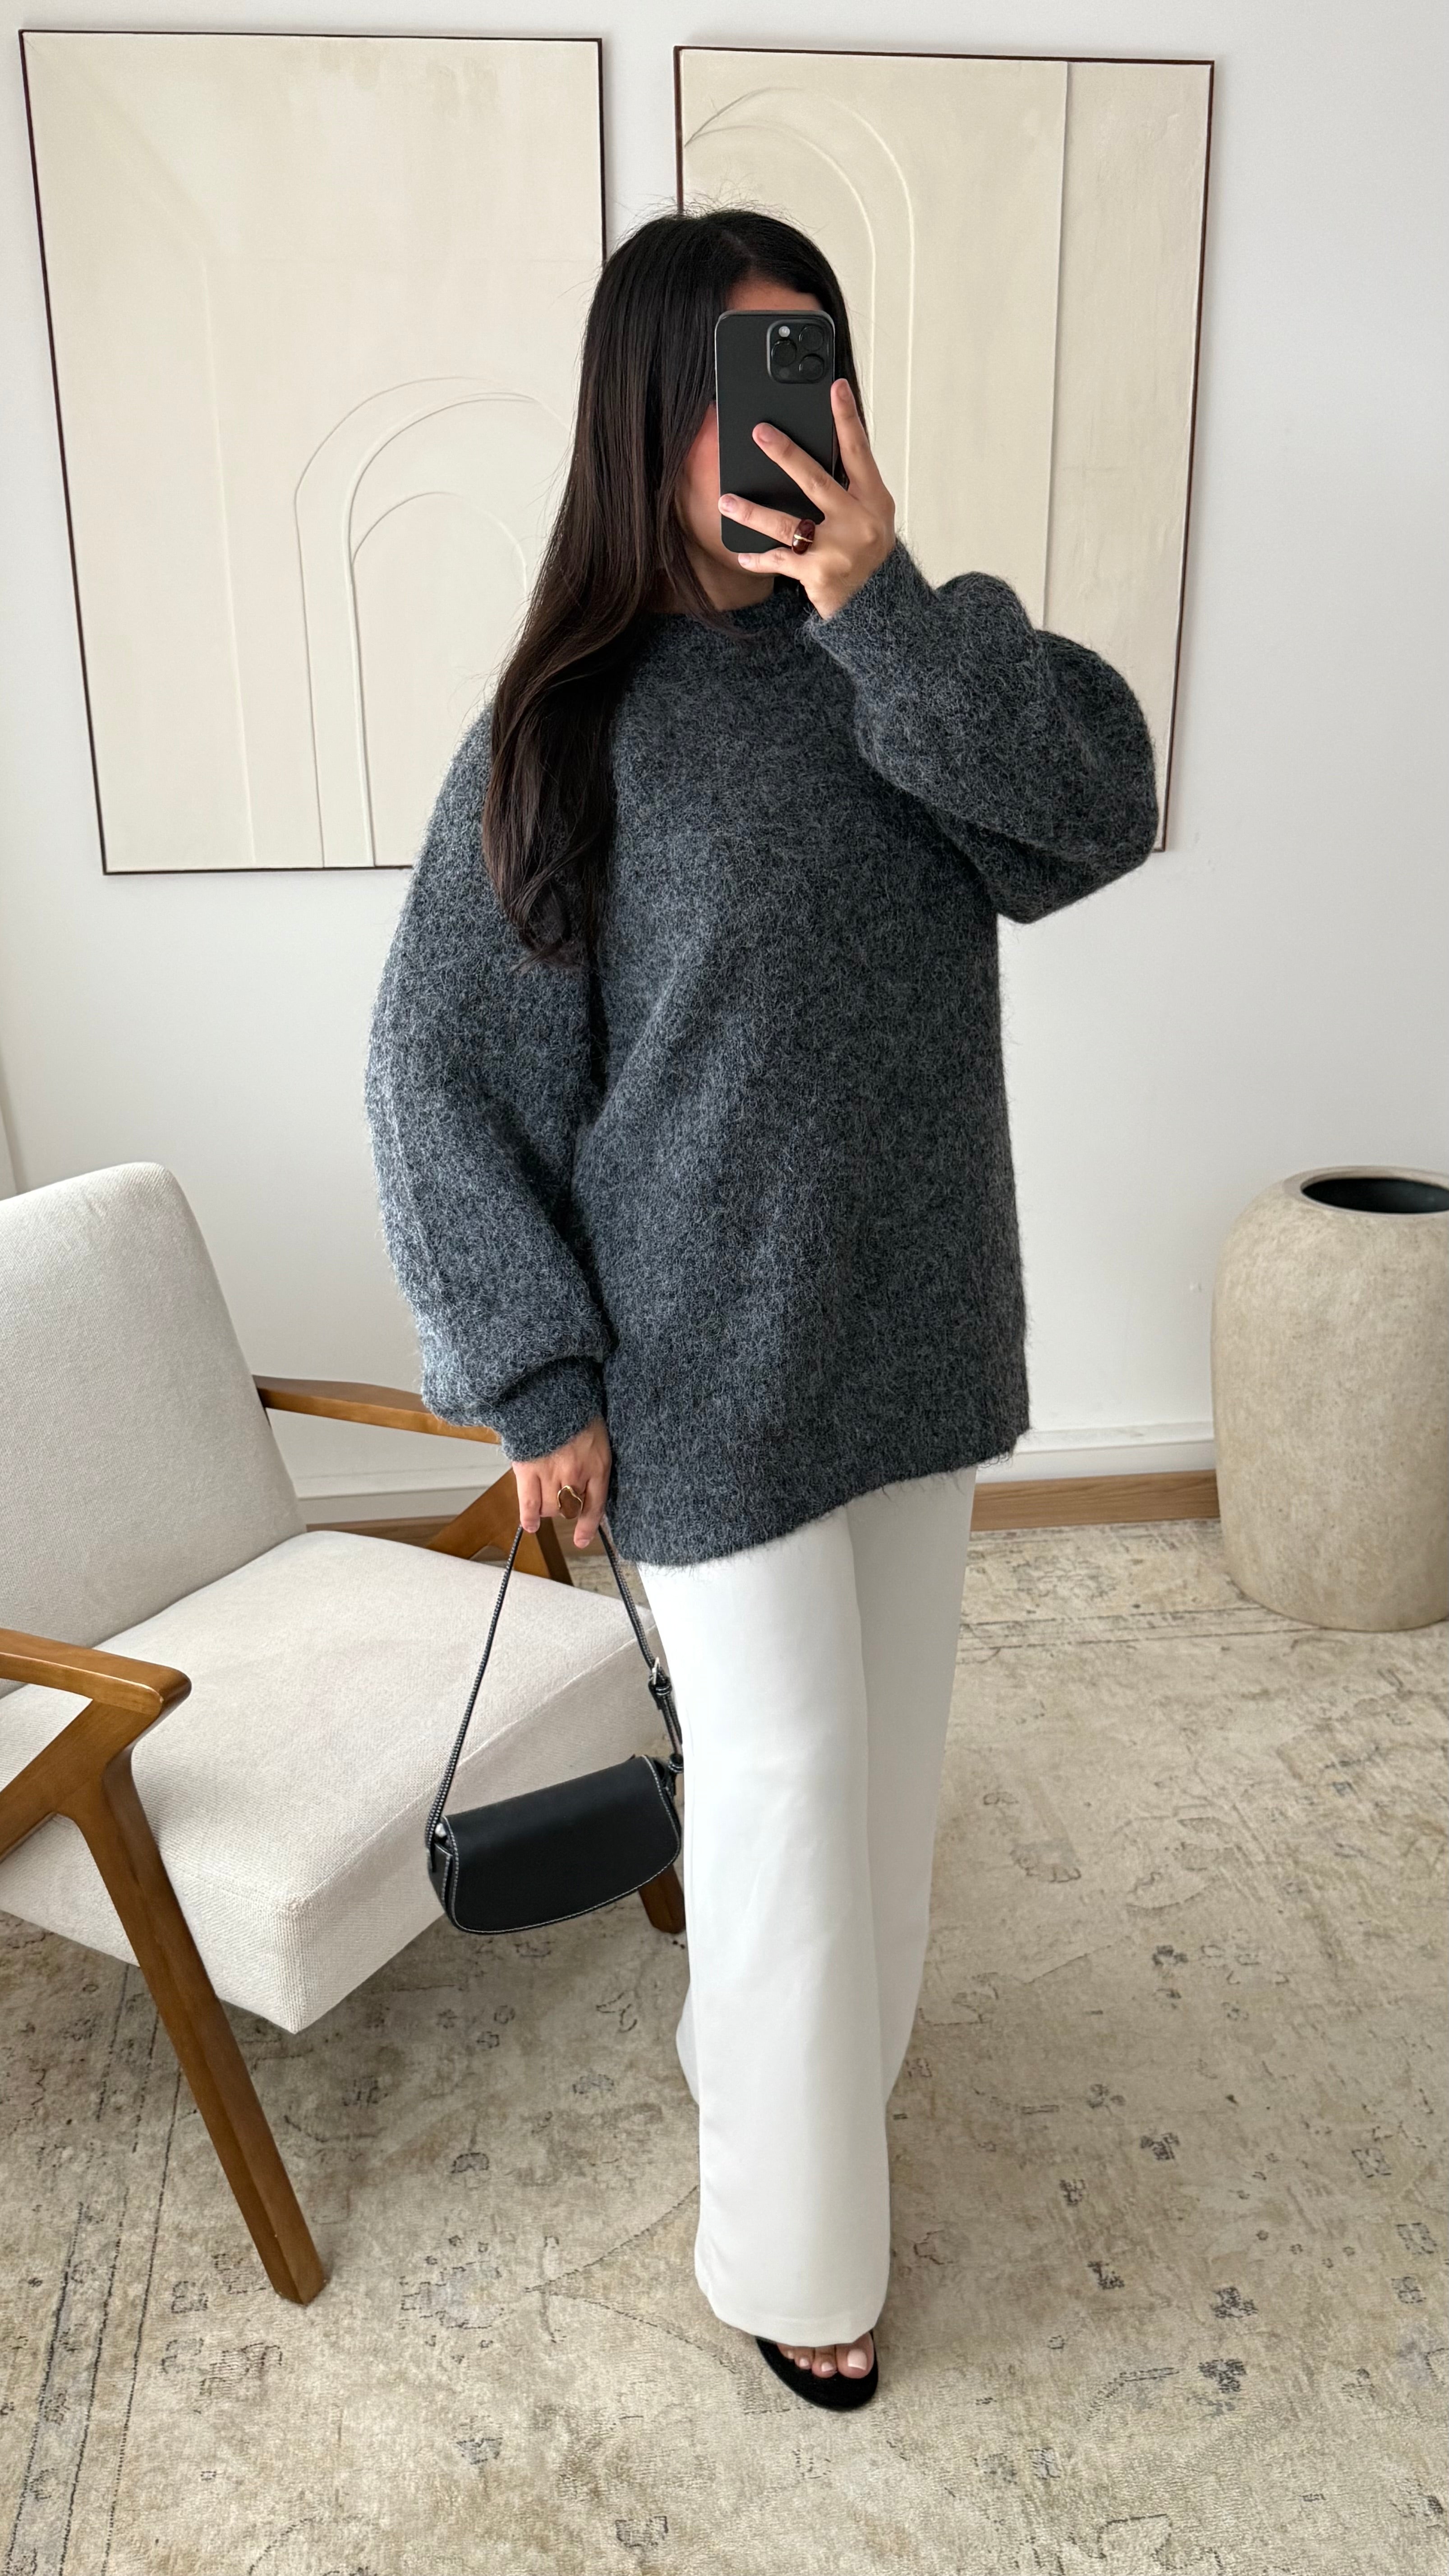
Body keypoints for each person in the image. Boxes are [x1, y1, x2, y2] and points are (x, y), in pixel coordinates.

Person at [365, 207, 1159, 2410]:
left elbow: (1096, 815)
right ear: (650, 414)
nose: (780, 424)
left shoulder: (920, 657)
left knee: (878, 1791)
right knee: (793, 1792)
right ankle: (795, 2251)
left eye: (809, 367)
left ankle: (793, 2075)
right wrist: (534, 1376)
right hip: (697, 1375)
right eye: (735, 380)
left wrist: (880, 603)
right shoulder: (560, 730)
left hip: (914, 1332)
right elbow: (439, 1073)